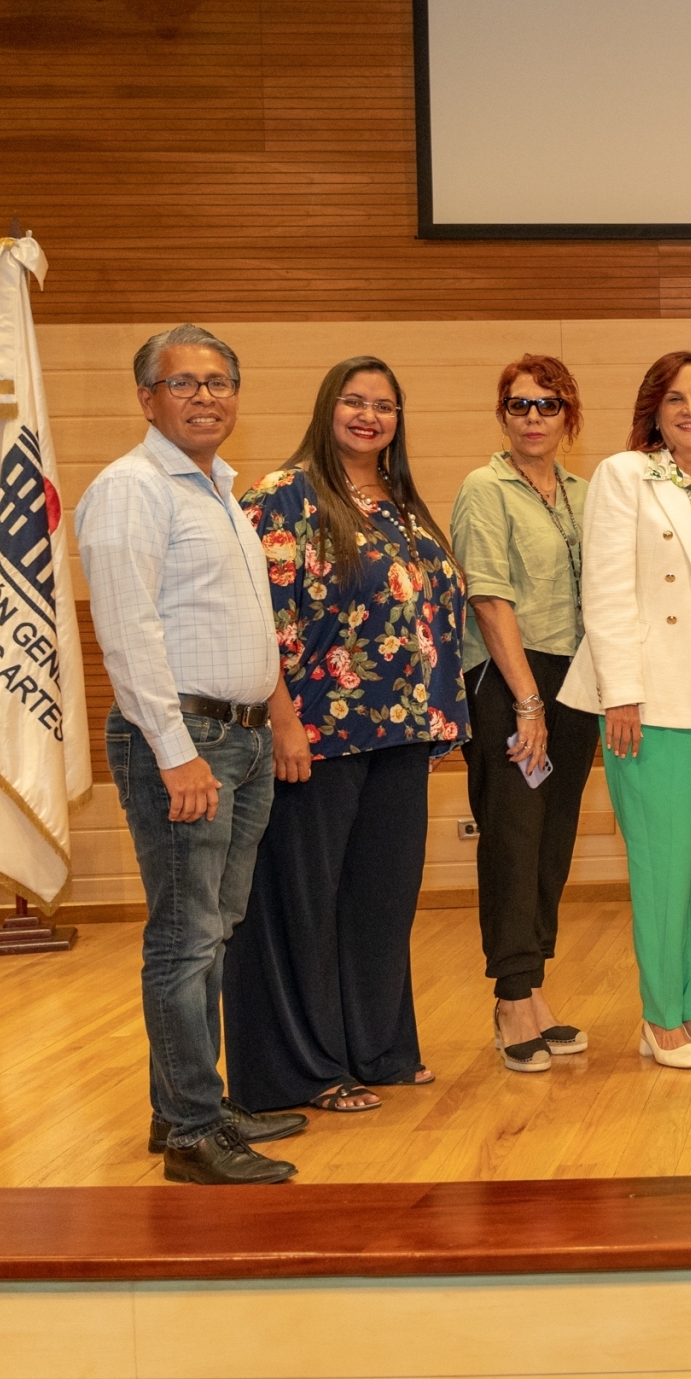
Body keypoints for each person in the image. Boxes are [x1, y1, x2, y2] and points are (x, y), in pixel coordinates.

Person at [78, 325, 302, 1185]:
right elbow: (128, 634)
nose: (206, 396)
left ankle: (188, 1102)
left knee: (213, 931)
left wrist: (275, 719)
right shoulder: (131, 490)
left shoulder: (219, 490)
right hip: (184, 742)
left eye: (219, 382)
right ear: (147, 398)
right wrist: (174, 754)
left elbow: (241, 622)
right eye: (184, 383)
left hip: (239, 739)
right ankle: (190, 1132)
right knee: (184, 938)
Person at [225, 356, 469, 1114]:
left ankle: (377, 1047)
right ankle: (303, 1068)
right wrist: (282, 721)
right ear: (327, 407)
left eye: (384, 405)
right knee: (303, 904)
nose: (370, 416)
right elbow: (258, 620)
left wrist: (437, 715)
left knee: (380, 901)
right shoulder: (283, 495)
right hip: (316, 735)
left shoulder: (401, 503)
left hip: (399, 734)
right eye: (355, 401)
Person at [561, 351, 691, 1072]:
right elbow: (606, 588)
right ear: (654, 409)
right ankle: (659, 1017)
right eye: (676, 398)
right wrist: (620, 691)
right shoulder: (625, 475)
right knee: (662, 856)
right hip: (648, 689)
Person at [451, 355, 598, 1074]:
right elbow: (487, 595)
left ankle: (533, 988)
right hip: (510, 677)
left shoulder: (583, 492)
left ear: (569, 417)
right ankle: (511, 997)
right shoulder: (485, 489)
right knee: (513, 836)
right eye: (519, 404)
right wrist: (527, 702)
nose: (533, 417)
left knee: (552, 838)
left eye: (547, 404)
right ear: (502, 414)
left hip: (577, 678)